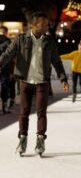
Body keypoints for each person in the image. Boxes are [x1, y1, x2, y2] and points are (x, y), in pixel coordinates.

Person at [0, 11, 69, 156]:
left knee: (41, 112)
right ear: (34, 24)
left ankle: (40, 140)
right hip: (25, 81)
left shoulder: (49, 41)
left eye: (47, 23)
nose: (46, 26)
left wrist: (63, 78)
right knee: (23, 112)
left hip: (42, 82)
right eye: (43, 24)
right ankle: (23, 139)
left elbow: (56, 61)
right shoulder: (21, 39)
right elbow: (7, 54)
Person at [0, 26, 14, 114]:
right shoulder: (8, 41)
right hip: (5, 68)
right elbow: (11, 56)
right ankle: (4, 108)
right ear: (6, 32)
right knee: (4, 87)